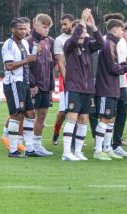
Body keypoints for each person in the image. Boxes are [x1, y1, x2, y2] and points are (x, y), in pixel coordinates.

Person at [61, 9, 104, 161]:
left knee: (84, 120)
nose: (82, 33)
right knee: (72, 118)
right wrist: (82, 21)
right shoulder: (69, 45)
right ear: (73, 32)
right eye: (79, 30)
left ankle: (78, 151)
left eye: (84, 31)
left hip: (88, 89)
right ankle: (67, 152)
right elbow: (74, 39)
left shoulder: (88, 45)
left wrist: (93, 27)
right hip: (73, 87)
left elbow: (101, 43)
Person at [1, 18, 38, 158]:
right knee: (16, 115)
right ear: (13, 29)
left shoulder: (23, 43)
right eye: (20, 29)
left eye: (24, 29)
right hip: (14, 83)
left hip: (24, 82)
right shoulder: (9, 45)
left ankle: (29, 148)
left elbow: (27, 63)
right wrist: (27, 60)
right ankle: (13, 150)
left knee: (30, 114)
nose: (23, 31)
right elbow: (8, 66)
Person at [27, 13, 56, 157]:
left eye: (48, 28)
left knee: (42, 115)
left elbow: (51, 64)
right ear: (35, 25)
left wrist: (51, 85)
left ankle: (37, 144)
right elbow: (27, 66)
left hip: (46, 85)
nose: (46, 30)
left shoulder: (50, 41)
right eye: (44, 27)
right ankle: (25, 143)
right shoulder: (28, 41)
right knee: (28, 115)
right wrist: (32, 83)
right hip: (33, 85)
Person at [111, 22, 127, 157]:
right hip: (111, 84)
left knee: (122, 114)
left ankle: (116, 144)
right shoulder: (107, 41)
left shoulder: (124, 44)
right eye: (126, 32)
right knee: (109, 116)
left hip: (122, 84)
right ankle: (105, 145)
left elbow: (125, 61)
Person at [52, 14, 74, 145]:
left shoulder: (82, 36)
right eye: (62, 25)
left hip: (81, 79)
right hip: (65, 79)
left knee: (78, 111)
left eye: (65, 24)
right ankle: (56, 131)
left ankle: (74, 139)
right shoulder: (59, 40)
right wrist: (67, 80)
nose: (63, 27)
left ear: (72, 23)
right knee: (63, 111)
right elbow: (60, 62)